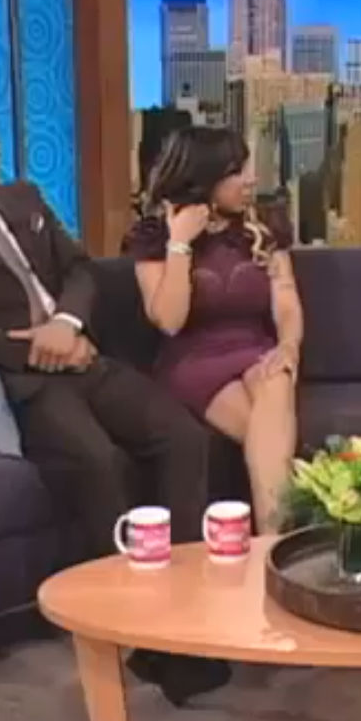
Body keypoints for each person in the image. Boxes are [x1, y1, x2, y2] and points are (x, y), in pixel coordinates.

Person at [0, 86, 229, 705]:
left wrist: (66, 325)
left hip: (84, 356)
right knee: (99, 463)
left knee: (184, 438)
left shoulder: (24, 197)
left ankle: (181, 611)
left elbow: (81, 269)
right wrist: (32, 348)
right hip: (23, 378)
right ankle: (137, 632)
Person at [121, 126, 302, 533]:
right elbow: (169, 321)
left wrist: (289, 346)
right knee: (272, 445)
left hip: (255, 349)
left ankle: (271, 544)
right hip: (194, 362)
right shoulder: (154, 235)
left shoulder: (264, 226)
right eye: (237, 172)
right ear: (205, 177)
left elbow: (287, 302)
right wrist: (180, 243)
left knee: (276, 379)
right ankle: (280, 546)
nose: (251, 180)